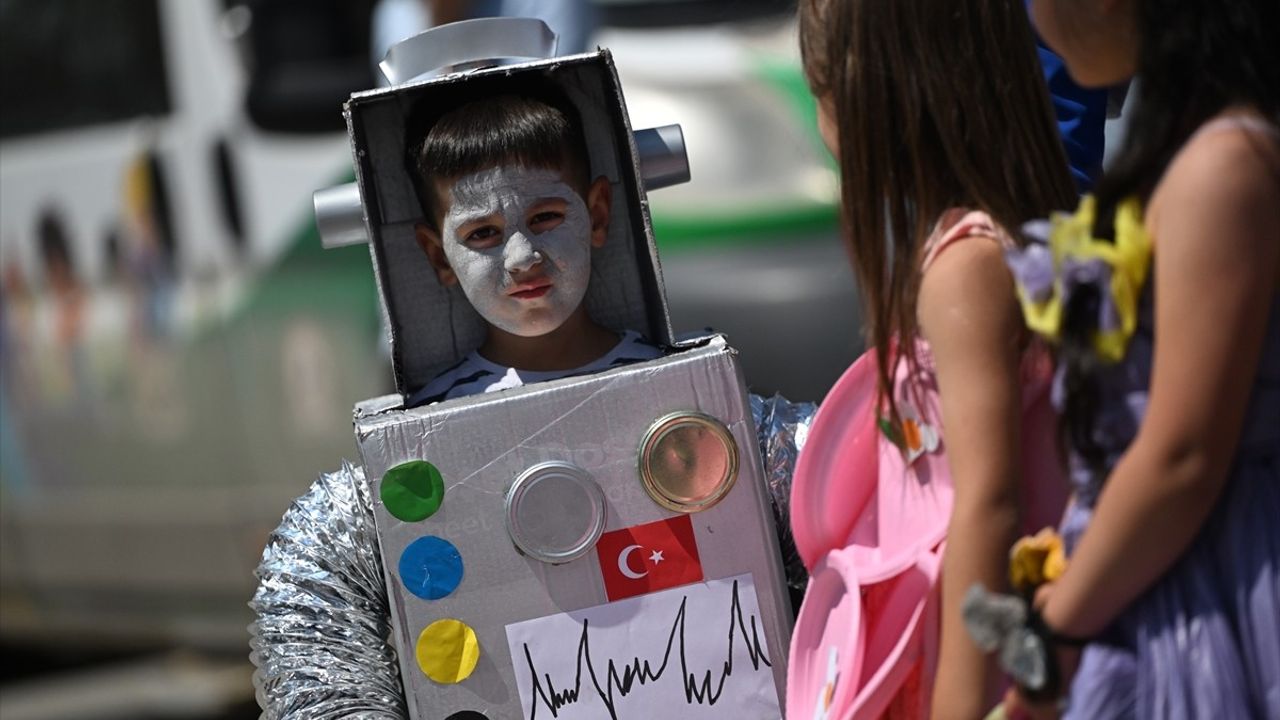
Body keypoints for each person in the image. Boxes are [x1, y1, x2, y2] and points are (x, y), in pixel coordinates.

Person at [787, 0, 1076, 717]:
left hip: (989, 666)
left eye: (816, 95)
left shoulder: (964, 268)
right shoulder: (1013, 233)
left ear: (866, 102)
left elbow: (988, 505)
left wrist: (959, 703)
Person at [1000, 0, 1280, 717]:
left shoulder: (1224, 165)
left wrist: (1047, 648)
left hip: (1225, 596)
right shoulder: (1197, 148)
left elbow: (1181, 458)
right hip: (1161, 578)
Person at [403, 89, 661, 406]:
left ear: (596, 216)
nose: (523, 259)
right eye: (482, 232)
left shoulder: (672, 381)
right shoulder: (429, 421)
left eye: (545, 217)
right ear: (439, 256)